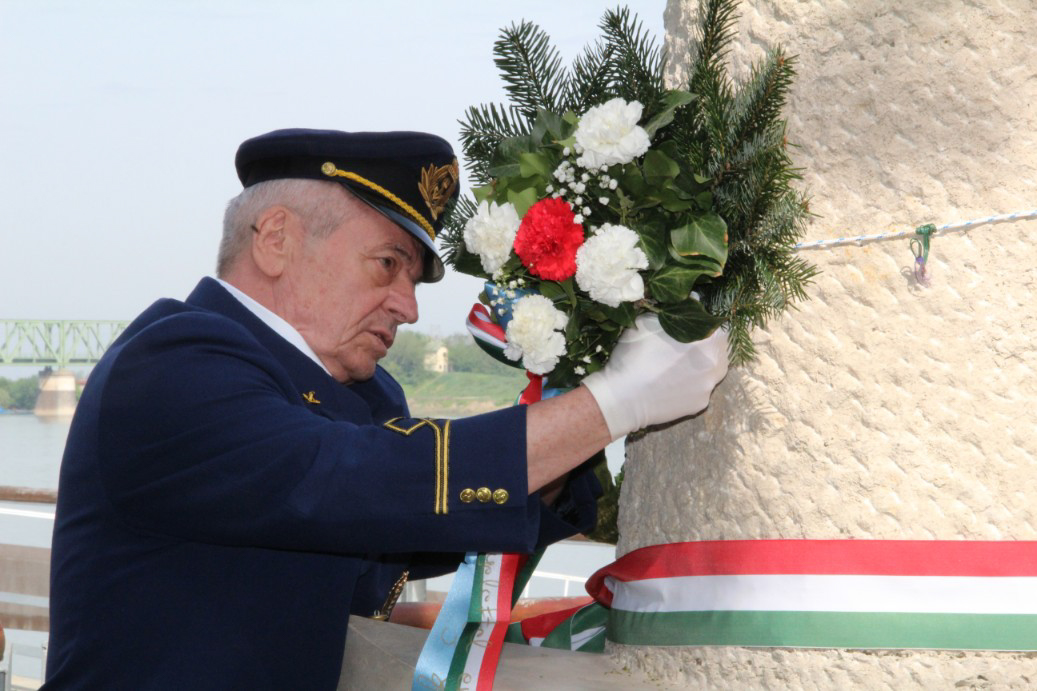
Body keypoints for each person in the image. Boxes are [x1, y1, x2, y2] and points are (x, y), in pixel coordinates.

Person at [43, 129, 729, 689]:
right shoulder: (173, 363)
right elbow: (349, 479)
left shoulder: (354, 394)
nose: (408, 306)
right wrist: (612, 403)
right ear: (276, 238)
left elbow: (410, 525)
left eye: (415, 279)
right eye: (387, 264)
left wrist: (565, 403)